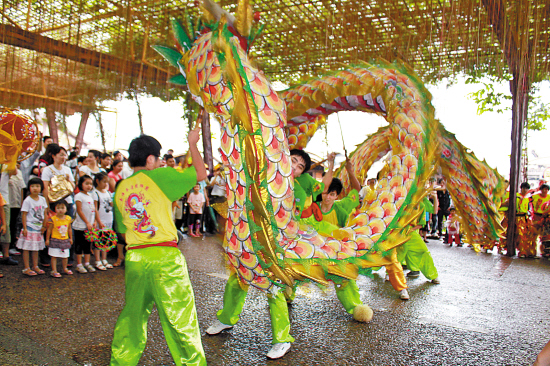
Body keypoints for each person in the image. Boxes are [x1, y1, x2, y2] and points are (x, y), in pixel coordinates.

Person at [110, 128, 207, 366]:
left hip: (135, 259)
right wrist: (193, 143)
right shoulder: (162, 176)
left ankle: (121, 361)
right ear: (151, 159)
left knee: (132, 316)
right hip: (165, 257)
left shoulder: (120, 188)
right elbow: (202, 173)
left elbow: (122, 232)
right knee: (180, 318)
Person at [398, 197, 440, 284]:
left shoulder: (422, 203)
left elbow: (433, 212)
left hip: (411, 233)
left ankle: (432, 275)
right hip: (397, 232)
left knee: (423, 251)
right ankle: (391, 275)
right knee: (395, 255)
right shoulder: (401, 199)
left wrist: (435, 197)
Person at [17, 178, 47, 276]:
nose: (35, 188)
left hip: (39, 228)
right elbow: (24, 214)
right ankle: (26, 267)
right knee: (26, 248)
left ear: (41, 188)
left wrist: (44, 225)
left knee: (36, 248)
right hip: (30, 227)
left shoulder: (42, 199)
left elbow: (45, 213)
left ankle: (35, 266)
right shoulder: (28, 200)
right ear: (29, 188)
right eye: (32, 186)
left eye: (37, 186)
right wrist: (24, 227)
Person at [73, 175, 97, 274]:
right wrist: (86, 222)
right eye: (86, 183)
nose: (89, 186)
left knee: (88, 245)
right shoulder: (78, 196)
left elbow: (93, 210)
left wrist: (93, 221)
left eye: (90, 184)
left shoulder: (90, 196)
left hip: (89, 226)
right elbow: (79, 210)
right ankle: (79, 264)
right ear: (81, 184)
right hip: (80, 225)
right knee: (79, 245)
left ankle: (87, 263)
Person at [45, 200, 73, 278]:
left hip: (65, 240)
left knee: (65, 256)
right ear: (55, 209)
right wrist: (47, 239)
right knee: (54, 256)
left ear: (66, 209)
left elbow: (69, 229)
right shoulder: (53, 219)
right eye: (58, 208)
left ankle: (65, 268)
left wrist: (70, 238)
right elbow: (49, 229)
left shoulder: (68, 218)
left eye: (62, 208)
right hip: (55, 239)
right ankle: (54, 270)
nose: (60, 210)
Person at [93, 172, 114, 270]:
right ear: (97, 181)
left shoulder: (107, 192)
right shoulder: (95, 193)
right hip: (101, 220)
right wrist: (98, 221)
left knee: (106, 239)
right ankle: (98, 260)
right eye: (104, 182)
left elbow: (111, 204)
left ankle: (104, 259)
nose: (106, 184)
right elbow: (95, 209)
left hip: (109, 219)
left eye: (107, 182)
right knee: (99, 240)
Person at [8, 163, 25, 256]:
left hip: (16, 204)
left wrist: (22, 203)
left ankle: (11, 246)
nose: (17, 165)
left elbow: (22, 188)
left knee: (13, 225)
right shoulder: (5, 172)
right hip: (7, 203)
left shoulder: (19, 173)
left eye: (18, 163)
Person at [532, 184, 550, 256]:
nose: (545, 191)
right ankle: (531, 251)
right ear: (540, 190)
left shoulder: (549, 197)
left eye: (546, 189)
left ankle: (544, 251)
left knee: (544, 235)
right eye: (543, 189)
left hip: (545, 219)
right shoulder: (534, 197)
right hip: (536, 217)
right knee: (533, 234)